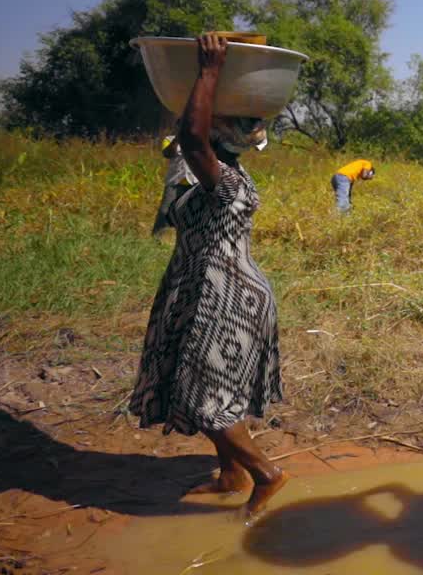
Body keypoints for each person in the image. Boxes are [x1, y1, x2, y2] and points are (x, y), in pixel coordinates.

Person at [128, 33, 288, 517]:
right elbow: (186, 138)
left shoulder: (228, 181)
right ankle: (230, 474)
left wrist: (211, 70)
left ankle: (266, 473)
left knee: (205, 398)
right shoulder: (204, 177)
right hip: (204, 288)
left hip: (226, 296)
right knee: (199, 382)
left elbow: (192, 137)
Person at [151, 131, 197, 236]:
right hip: (175, 182)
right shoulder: (169, 139)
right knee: (165, 211)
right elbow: (167, 153)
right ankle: (157, 238)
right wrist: (178, 138)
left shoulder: (201, 139)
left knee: (192, 213)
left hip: (194, 181)